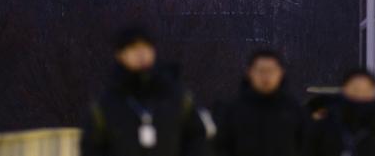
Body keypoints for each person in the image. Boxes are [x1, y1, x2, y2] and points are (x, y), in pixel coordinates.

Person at [81, 26, 209, 156]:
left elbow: (196, 137)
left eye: (146, 47)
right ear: (119, 55)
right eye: (133, 48)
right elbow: (92, 147)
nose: (141, 53)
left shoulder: (176, 96)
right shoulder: (107, 103)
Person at [215, 49, 306, 156]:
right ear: (249, 72)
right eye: (260, 71)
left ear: (281, 73)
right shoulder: (231, 110)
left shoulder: (294, 110)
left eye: (271, 71)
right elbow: (219, 147)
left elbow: (307, 147)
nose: (266, 76)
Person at [304, 69, 375, 156]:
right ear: (344, 89)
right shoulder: (325, 127)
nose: (360, 95)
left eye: (365, 90)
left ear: (374, 93)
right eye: (355, 89)